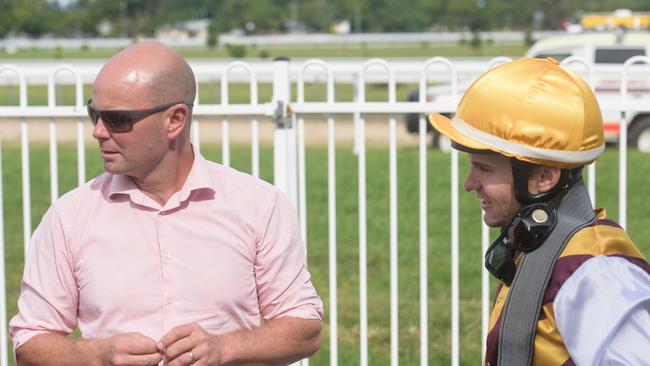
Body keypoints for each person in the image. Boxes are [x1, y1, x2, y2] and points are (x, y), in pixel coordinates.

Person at [10, 41, 323, 366]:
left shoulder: (258, 205)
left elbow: (305, 328)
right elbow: (30, 344)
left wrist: (223, 348)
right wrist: (99, 355)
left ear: (175, 120)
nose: (99, 132)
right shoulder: (69, 217)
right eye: (95, 114)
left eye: (117, 118)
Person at [429, 57, 650, 365]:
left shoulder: (598, 277)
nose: (469, 184)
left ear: (544, 177)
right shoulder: (539, 245)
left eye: (484, 169)